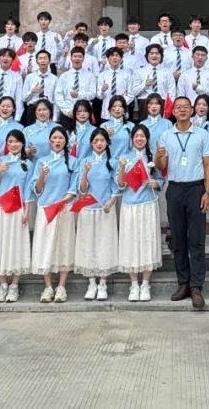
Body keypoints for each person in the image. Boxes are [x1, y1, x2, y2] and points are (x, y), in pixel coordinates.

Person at [156, 96, 209, 308]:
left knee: (197, 239)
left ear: (191, 110)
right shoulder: (165, 135)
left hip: (196, 188)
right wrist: (158, 155)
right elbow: (161, 165)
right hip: (175, 189)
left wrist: (207, 191)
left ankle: (196, 286)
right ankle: (183, 283)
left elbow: (208, 164)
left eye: (186, 107)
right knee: (178, 239)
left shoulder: (202, 134)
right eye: (178, 107)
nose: (182, 110)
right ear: (173, 111)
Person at [28, 127, 75, 304]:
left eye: (61, 138)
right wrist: (42, 175)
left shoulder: (72, 161)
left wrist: (64, 201)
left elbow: (74, 186)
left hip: (64, 208)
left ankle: (61, 286)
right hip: (46, 208)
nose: (57, 141)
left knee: (64, 245)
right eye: (54, 138)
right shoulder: (42, 161)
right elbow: (37, 189)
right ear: (50, 141)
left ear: (65, 141)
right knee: (45, 245)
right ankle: (48, 286)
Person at [116, 124, 162, 302]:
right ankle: (134, 284)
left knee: (147, 242)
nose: (140, 139)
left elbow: (161, 178)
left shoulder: (152, 158)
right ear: (132, 138)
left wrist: (155, 183)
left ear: (147, 138)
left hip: (148, 204)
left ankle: (145, 284)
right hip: (130, 205)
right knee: (131, 243)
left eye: (143, 136)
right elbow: (120, 184)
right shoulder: (125, 157)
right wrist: (122, 168)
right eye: (137, 136)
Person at [0, 130, 32, 303]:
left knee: (16, 245)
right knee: (0, 245)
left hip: (18, 208)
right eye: (10, 141)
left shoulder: (27, 164)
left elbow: (28, 189)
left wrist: (26, 211)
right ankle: (3, 284)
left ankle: (14, 286)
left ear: (22, 144)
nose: (14, 144)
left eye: (17, 141)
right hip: (1, 208)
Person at [73, 128, 120, 302]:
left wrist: (111, 203)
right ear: (91, 143)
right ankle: (91, 282)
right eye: (96, 141)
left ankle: (103, 283)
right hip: (87, 208)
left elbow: (116, 187)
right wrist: (85, 171)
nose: (99, 144)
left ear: (107, 143)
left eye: (102, 140)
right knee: (88, 244)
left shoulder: (112, 162)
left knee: (104, 244)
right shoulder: (84, 161)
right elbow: (82, 189)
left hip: (105, 209)